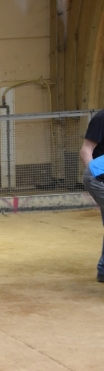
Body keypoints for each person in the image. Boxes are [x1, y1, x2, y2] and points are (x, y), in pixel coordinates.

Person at [80, 110, 104, 282]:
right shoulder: (101, 118)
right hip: (99, 175)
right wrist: (95, 178)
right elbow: (86, 149)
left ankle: (103, 269)